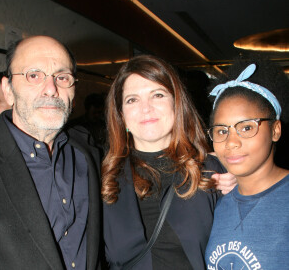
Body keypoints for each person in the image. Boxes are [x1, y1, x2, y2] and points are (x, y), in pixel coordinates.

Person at [102, 55, 236, 270]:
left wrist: (245, 182)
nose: (146, 108)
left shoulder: (210, 171)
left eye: (157, 95)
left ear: (176, 103)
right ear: (121, 114)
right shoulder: (104, 179)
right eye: (132, 99)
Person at [0, 36, 102, 269]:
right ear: (8, 90)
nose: (51, 89)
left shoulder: (87, 151)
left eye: (62, 77)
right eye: (34, 75)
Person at [205, 61, 289, 269]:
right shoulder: (220, 205)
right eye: (222, 131)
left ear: (275, 130)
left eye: (246, 127)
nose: (231, 142)